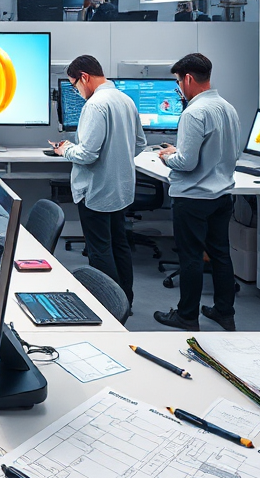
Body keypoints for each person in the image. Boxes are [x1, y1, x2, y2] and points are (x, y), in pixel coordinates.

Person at [154, 52, 243, 332]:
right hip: (222, 195)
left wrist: (168, 156)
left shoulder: (193, 112)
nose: (179, 88)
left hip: (193, 197)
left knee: (190, 256)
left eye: (178, 82)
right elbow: (231, 152)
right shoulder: (227, 107)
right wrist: (181, 152)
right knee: (220, 254)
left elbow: (187, 163)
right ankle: (224, 313)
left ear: (189, 79)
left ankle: (187, 316)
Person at [53, 55, 145, 304]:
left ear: (84, 77)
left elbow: (87, 154)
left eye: (75, 85)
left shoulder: (95, 105)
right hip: (120, 190)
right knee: (120, 245)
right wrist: (117, 157)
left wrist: (65, 150)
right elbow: (140, 144)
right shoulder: (125, 100)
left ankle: (108, 305)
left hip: (96, 190)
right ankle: (125, 300)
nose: (76, 91)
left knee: (100, 250)